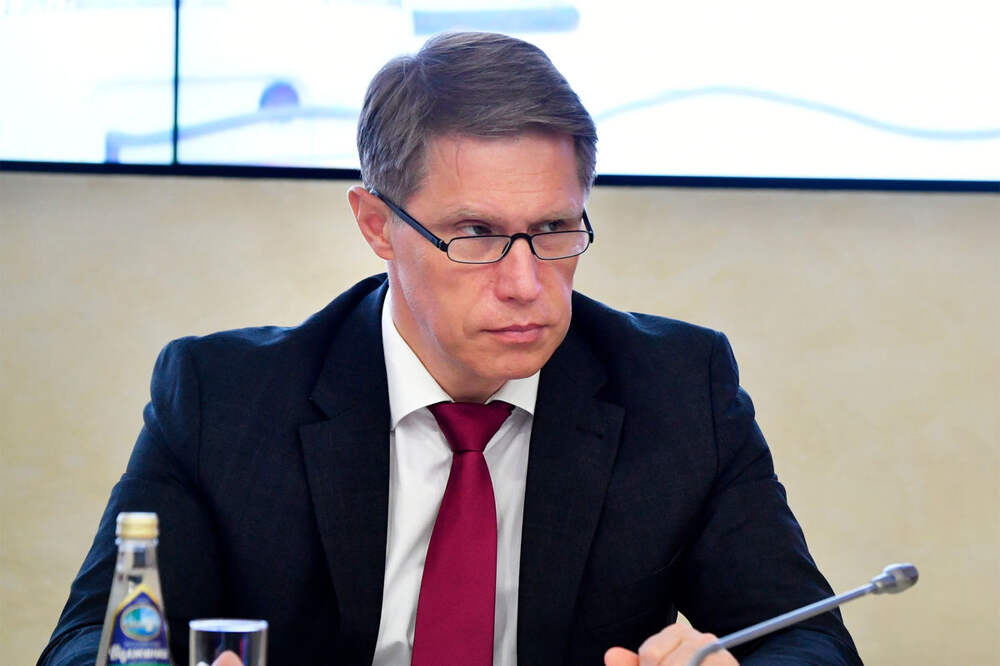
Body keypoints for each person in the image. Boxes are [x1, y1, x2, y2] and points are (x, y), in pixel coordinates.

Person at [39, 32, 861, 666]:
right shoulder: (222, 401)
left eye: (554, 229)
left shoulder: (679, 393)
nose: (526, 283)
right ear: (377, 226)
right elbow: (85, 643)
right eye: (475, 233)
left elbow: (810, 641)